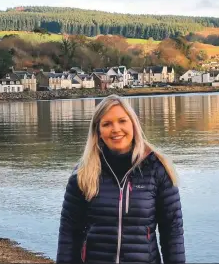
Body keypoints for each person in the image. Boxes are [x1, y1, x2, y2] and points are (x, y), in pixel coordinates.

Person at [56, 94, 185, 264]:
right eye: (107, 124)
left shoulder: (157, 168)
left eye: (122, 121)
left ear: (133, 123)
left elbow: (172, 232)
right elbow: (69, 233)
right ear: (98, 131)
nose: (116, 129)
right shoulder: (83, 173)